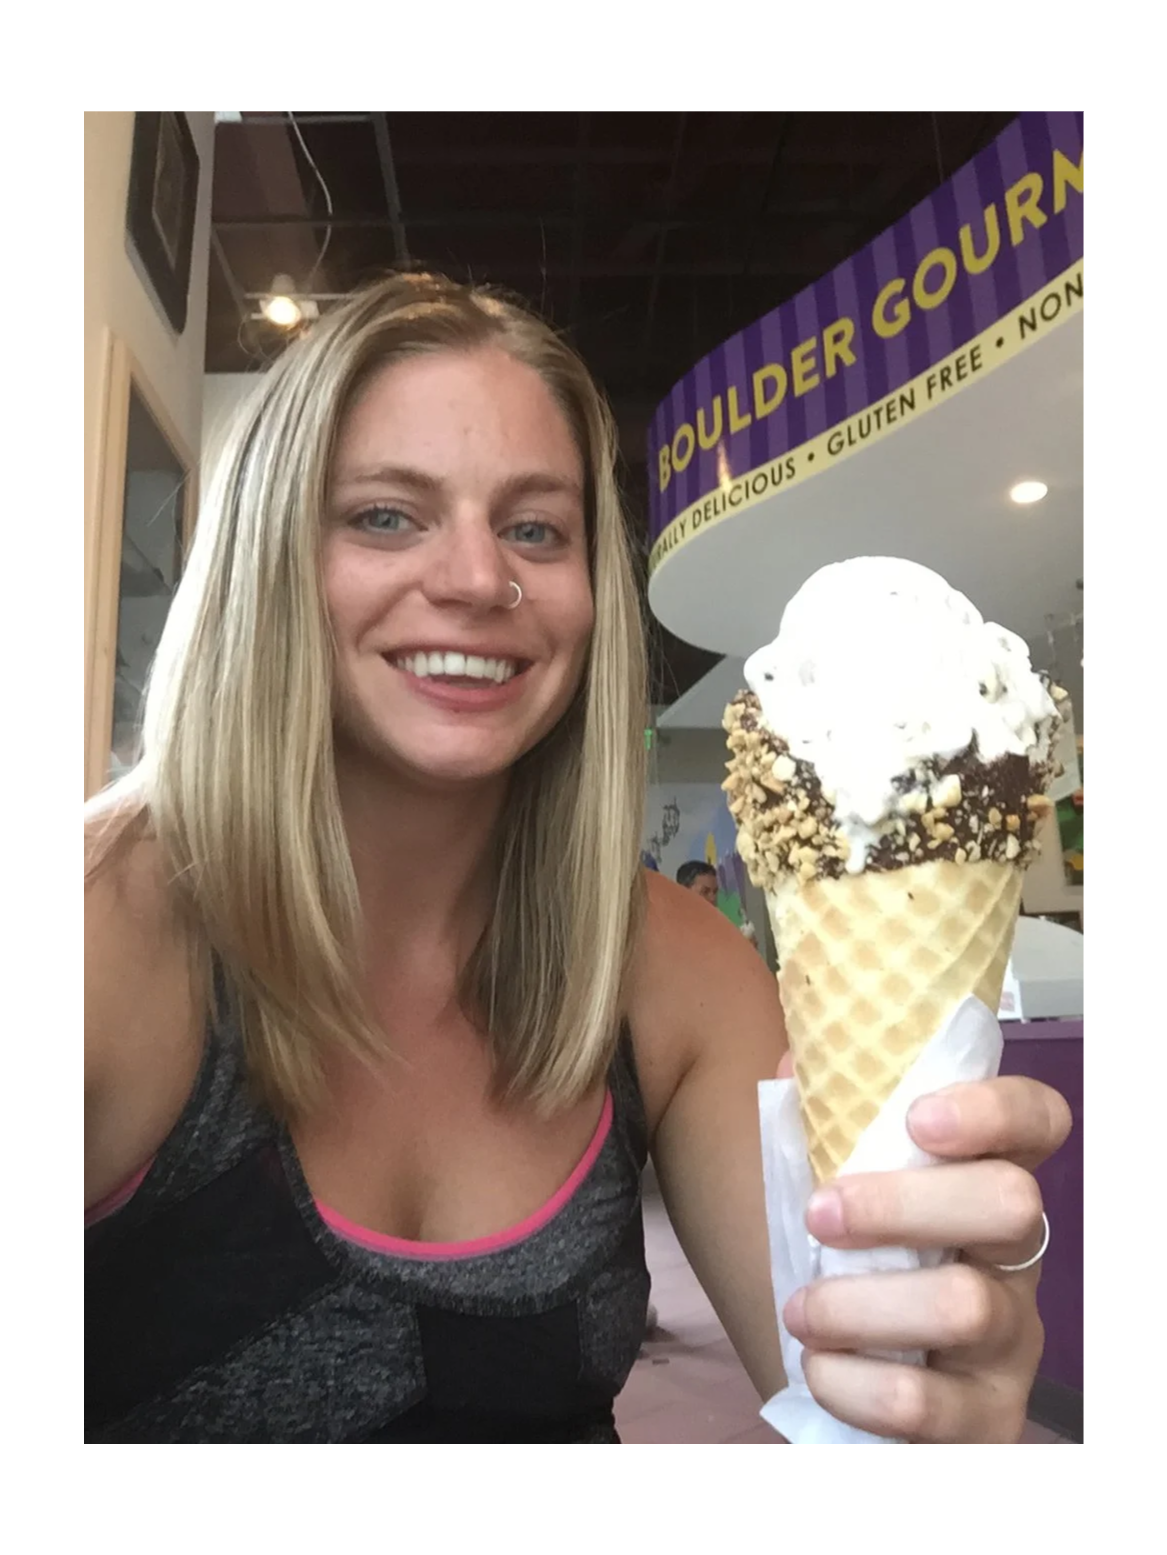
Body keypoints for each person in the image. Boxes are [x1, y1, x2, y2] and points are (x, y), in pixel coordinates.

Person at [85, 271, 1069, 1446]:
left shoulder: (672, 968)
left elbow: (868, 1416)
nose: (477, 579)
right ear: (266, 562)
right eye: (387, 515)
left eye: (534, 528)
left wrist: (948, 1369)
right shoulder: (108, 934)